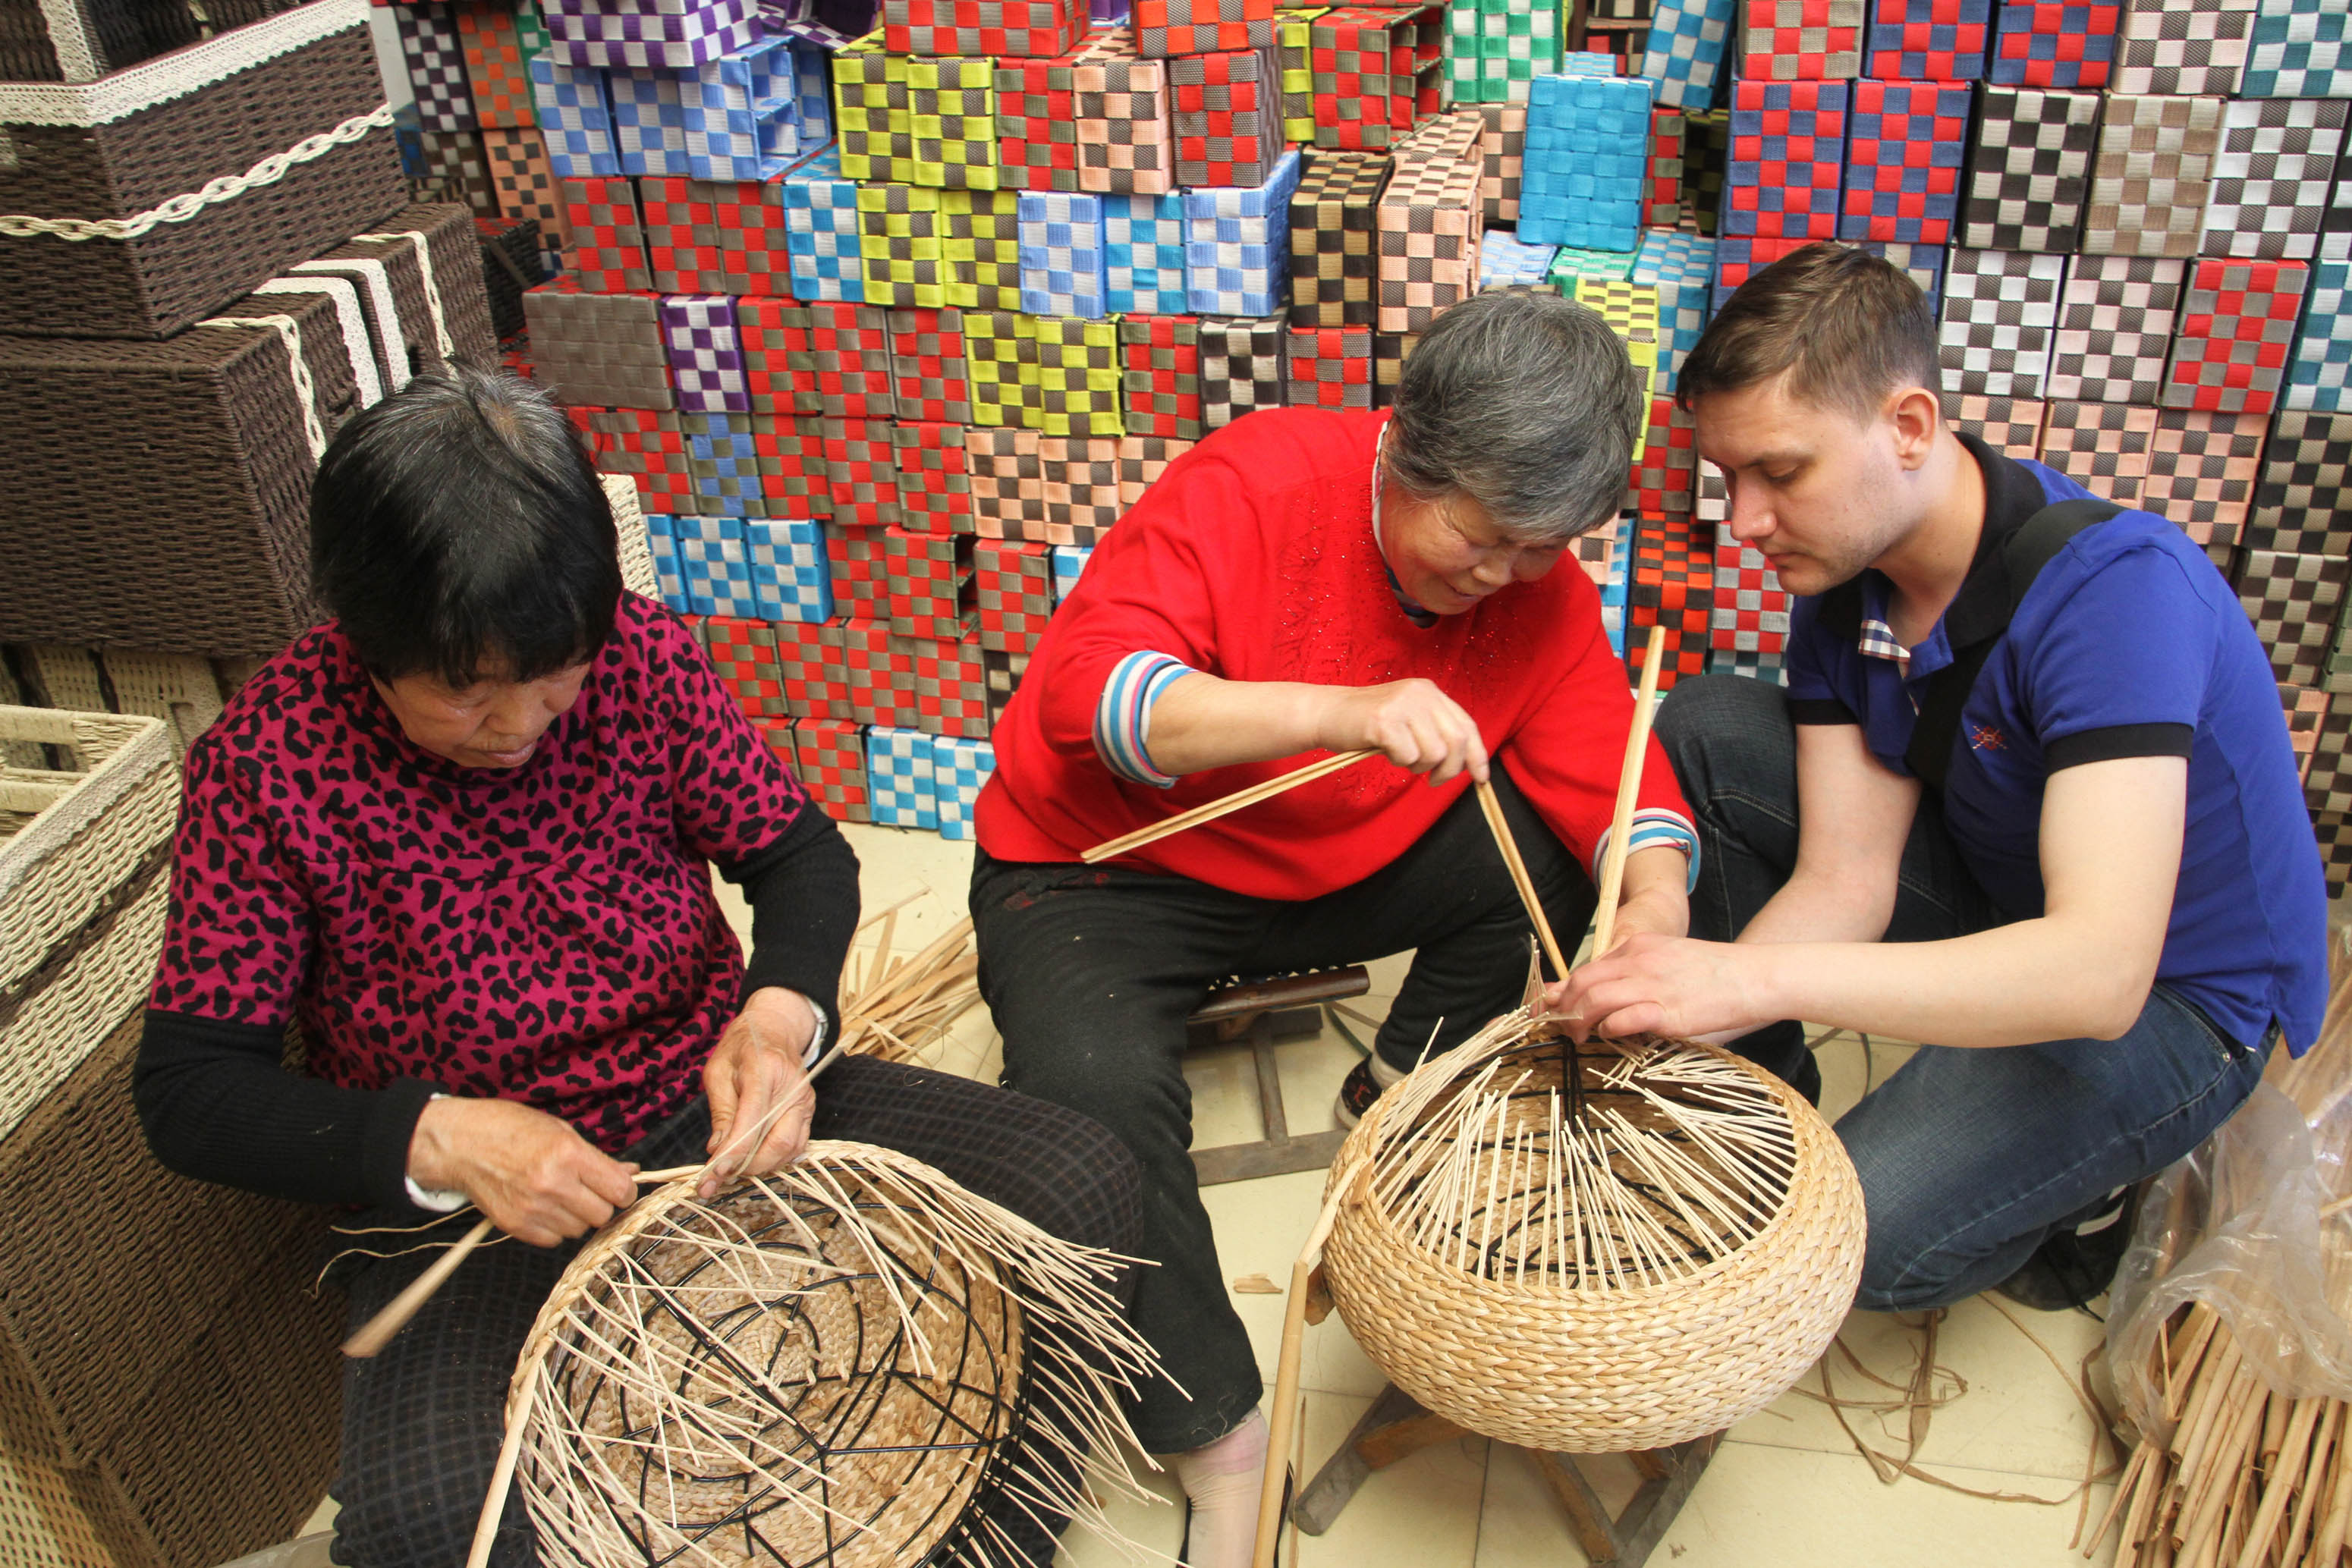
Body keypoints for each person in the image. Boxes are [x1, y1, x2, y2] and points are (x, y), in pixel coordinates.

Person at [134, 367, 1142, 1568]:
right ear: (363, 639)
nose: (518, 726)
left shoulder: (637, 661)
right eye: (463, 692)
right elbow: (190, 1090)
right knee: (430, 1530)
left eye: (549, 675)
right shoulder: (270, 760)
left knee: (1081, 1185)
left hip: (708, 1113)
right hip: (475, 1216)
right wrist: (443, 1140)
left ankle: (968, 1539)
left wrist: (777, 1024)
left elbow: (801, 857)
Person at [970, 290, 1697, 1566]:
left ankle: (1395, 1087)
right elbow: (1098, 701)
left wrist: (1659, 905)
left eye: (1544, 549)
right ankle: (1220, 1434)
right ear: (1406, 453)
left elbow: (1606, 765)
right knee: (1085, 1096)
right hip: (1103, 873)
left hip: (1327, 865)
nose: (1510, 578)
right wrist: (1344, 712)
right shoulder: (1254, 485)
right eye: (1483, 542)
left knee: (1548, 854)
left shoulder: (1535, 582)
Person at [1555, 242, 2330, 1314]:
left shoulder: (2115, 596)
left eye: (1781, 472)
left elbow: (2101, 972)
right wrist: (1675, 1007)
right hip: (2011, 881)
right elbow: (1847, 883)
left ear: (1910, 430)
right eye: (1732, 478)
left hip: (2169, 991)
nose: (1746, 521)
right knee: (1707, 727)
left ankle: (2090, 1187)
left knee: (1855, 1255)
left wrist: (1742, 978)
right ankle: (1752, 1104)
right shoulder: (1847, 585)